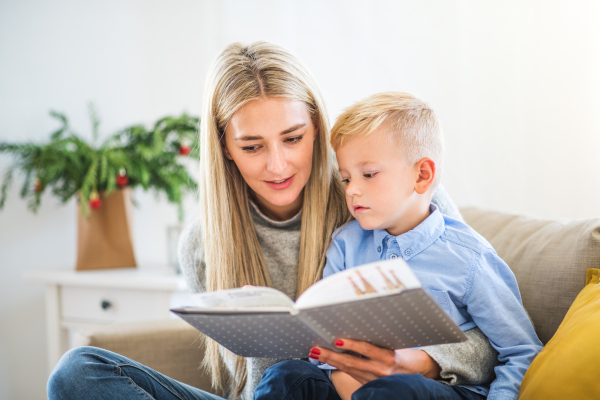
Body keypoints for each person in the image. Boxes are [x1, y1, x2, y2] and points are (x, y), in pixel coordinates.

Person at [47, 43, 497, 400]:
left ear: (317, 128)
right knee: (76, 372)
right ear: (225, 146)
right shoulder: (203, 243)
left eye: (293, 138)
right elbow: (245, 381)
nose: (277, 165)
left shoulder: (390, 196)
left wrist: (420, 362)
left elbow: (493, 341)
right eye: (252, 146)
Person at [255, 92, 542, 400]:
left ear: (422, 175)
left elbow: (521, 351)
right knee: (287, 376)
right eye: (347, 179)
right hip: (351, 386)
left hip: (434, 391)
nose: (352, 191)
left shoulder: (469, 257)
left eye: (368, 175)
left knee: (395, 391)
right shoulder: (345, 245)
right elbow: (324, 346)